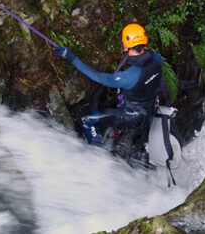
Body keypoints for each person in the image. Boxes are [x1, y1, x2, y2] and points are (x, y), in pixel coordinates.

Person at [53, 23, 163, 166]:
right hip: (150, 110)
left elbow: (97, 77)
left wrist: (72, 58)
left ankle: (97, 158)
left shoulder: (128, 77)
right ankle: (118, 134)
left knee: (86, 119)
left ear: (126, 45)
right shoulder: (157, 59)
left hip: (133, 118)